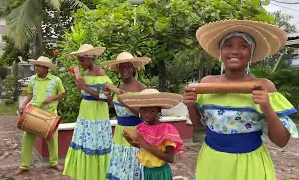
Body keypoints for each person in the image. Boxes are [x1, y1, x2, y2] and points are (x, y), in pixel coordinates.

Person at [183, 20, 299, 180]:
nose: (235, 51)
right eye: (228, 45)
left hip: (248, 165)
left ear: (251, 53)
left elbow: (281, 141)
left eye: (243, 46)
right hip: (213, 162)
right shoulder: (207, 84)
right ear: (220, 52)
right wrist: (190, 105)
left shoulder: (264, 86)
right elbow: (199, 126)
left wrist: (266, 106)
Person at [63, 44, 113, 180]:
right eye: (79, 60)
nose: (80, 63)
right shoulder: (85, 73)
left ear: (90, 58)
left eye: (82, 60)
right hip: (85, 112)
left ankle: (98, 175)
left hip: (97, 115)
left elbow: (107, 98)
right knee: (86, 143)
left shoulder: (100, 73)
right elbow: (83, 93)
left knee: (96, 144)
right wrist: (79, 84)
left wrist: (85, 86)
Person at [101, 52, 151, 180]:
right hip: (120, 132)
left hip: (135, 132)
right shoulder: (121, 86)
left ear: (133, 68)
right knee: (120, 166)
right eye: (122, 67)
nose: (125, 70)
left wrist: (127, 102)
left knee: (132, 166)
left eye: (128, 67)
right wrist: (108, 97)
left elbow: (144, 115)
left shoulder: (141, 88)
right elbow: (119, 108)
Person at [17, 56, 66, 175]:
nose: (36, 68)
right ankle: (24, 165)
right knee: (27, 138)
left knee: (52, 139)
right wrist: (24, 105)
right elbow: (30, 94)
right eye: (36, 65)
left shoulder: (56, 80)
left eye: (39, 66)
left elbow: (63, 94)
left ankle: (54, 162)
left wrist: (50, 99)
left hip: (49, 113)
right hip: (33, 112)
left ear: (46, 68)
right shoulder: (33, 79)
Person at [120, 89, 183, 180]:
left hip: (159, 173)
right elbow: (143, 149)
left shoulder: (166, 129)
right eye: (144, 110)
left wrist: (144, 144)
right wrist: (132, 142)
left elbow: (170, 158)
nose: (147, 114)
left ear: (158, 111)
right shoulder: (140, 128)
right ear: (140, 111)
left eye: (152, 111)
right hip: (144, 171)